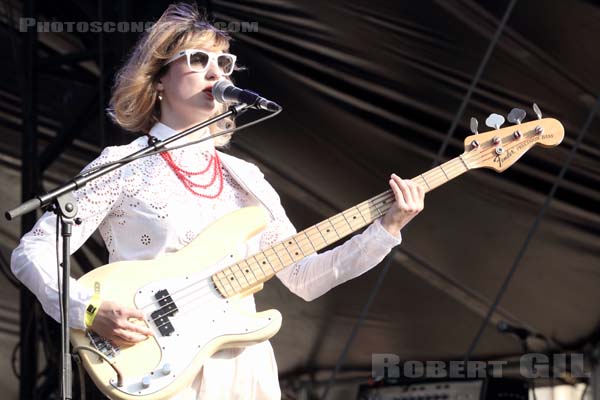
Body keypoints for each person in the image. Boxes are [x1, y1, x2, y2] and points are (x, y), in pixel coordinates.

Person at [11, 3, 425, 399]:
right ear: (158, 81)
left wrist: (386, 228)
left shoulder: (247, 177)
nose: (216, 73)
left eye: (224, 64)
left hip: (243, 364)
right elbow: (32, 251)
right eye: (198, 60)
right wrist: (87, 309)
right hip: (157, 361)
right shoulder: (122, 166)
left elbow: (304, 277)